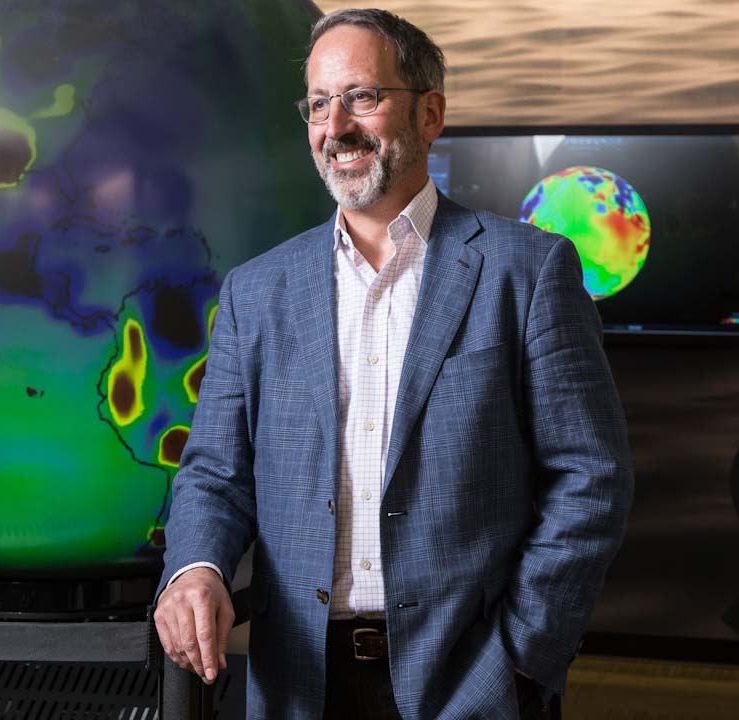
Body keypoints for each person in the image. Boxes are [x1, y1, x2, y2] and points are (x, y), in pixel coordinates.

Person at [153, 8, 634, 719]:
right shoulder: (257, 292)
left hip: (472, 684)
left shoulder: (528, 272)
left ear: (431, 114)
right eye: (319, 103)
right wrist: (195, 571)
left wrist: (520, 660)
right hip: (296, 688)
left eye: (363, 97)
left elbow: (590, 480)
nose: (336, 126)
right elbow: (215, 473)